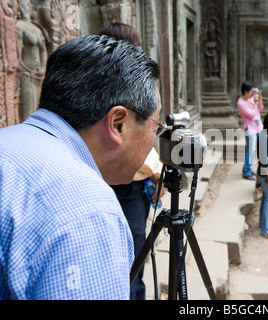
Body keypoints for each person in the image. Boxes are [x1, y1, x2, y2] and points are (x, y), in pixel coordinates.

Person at [0, 35, 162, 299]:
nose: (155, 136)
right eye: (156, 125)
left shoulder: (7, 141)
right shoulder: (90, 211)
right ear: (119, 124)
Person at [100, 22, 167, 300]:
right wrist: (155, 171)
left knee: (131, 258)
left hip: (125, 187)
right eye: (136, 49)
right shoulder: (112, 88)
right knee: (128, 259)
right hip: (122, 187)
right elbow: (132, 138)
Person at [237, 80, 264, 181]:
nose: (253, 94)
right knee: (251, 150)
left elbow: (260, 108)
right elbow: (252, 114)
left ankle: (248, 168)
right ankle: (246, 172)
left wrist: (259, 98)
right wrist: (255, 102)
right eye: (252, 91)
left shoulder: (251, 98)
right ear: (245, 92)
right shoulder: (241, 103)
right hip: (250, 128)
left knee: (254, 150)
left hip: (257, 126)